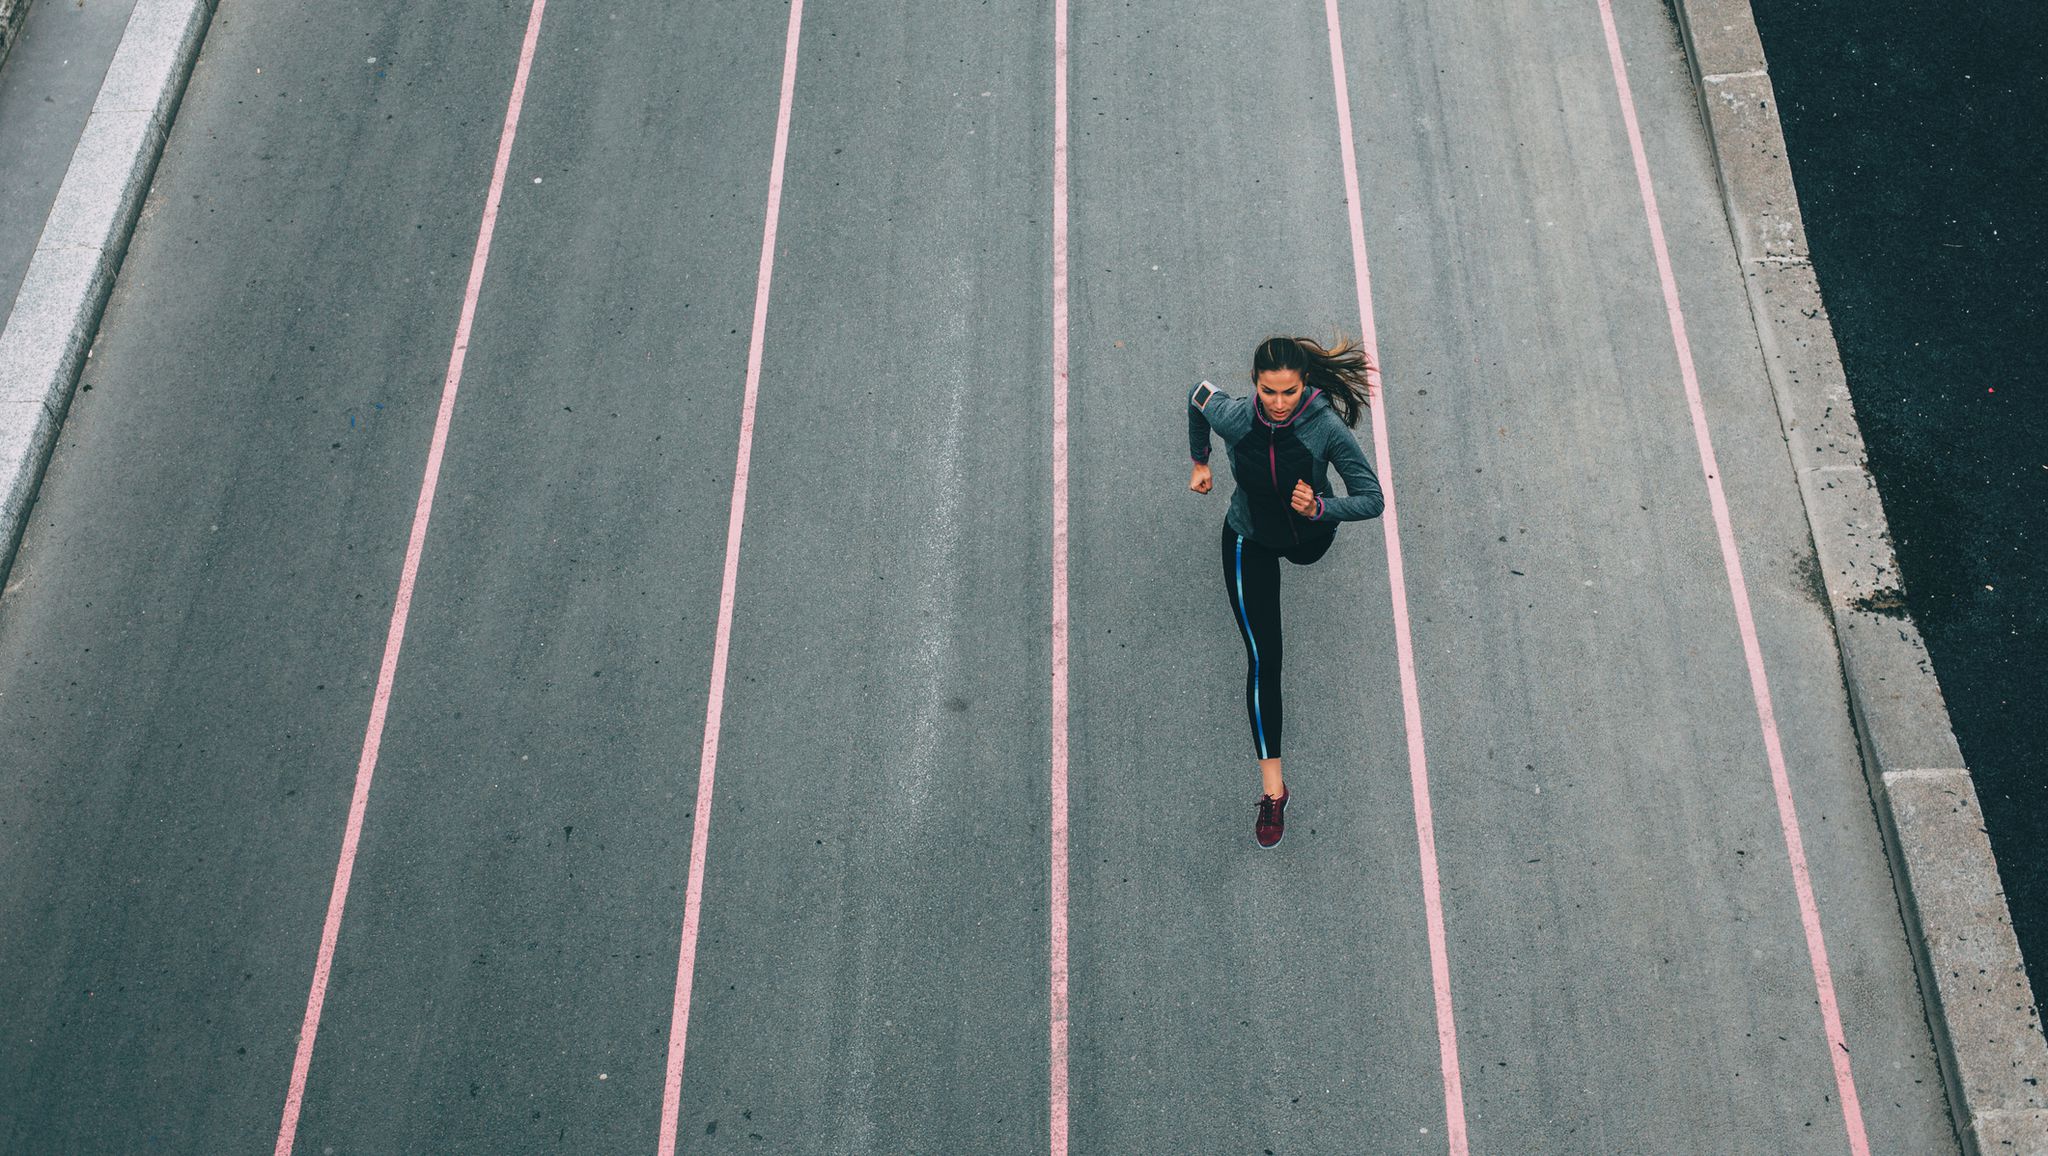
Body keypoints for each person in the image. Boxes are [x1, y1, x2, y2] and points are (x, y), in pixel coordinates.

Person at [1187, 335, 1385, 847]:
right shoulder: (1235, 414)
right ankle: (1274, 793)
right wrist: (1200, 461)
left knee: (1304, 554)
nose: (1278, 403)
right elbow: (1196, 396)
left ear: (1304, 386)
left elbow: (1372, 498)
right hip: (1248, 537)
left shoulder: (1326, 428)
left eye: (1289, 392)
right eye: (1269, 392)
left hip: (1307, 538)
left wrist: (1321, 508)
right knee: (1263, 658)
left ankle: (1305, 528)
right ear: (1254, 384)